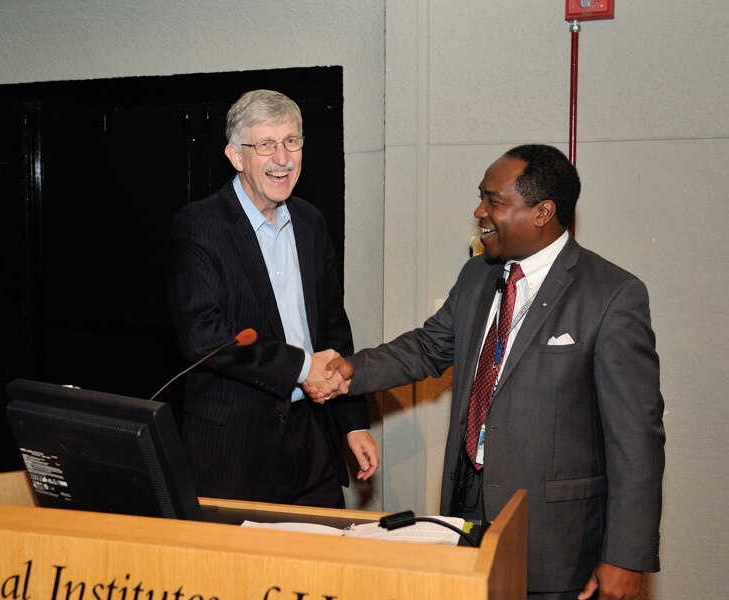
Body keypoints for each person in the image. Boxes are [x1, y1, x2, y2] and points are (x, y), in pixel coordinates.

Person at [313, 145, 665, 599]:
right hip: (466, 516)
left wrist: (625, 557)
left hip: (555, 542)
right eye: (482, 197)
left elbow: (636, 441)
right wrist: (351, 370)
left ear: (543, 212)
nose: (480, 212)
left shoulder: (613, 295)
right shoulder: (478, 275)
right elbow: (427, 347)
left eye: (493, 201)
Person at [166, 89, 379, 508]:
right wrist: (302, 368)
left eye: (292, 141)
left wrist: (352, 423)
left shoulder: (311, 221)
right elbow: (205, 336)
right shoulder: (200, 225)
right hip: (233, 448)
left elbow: (334, 329)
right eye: (265, 144)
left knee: (322, 568)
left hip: (314, 438)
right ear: (235, 156)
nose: (282, 158)